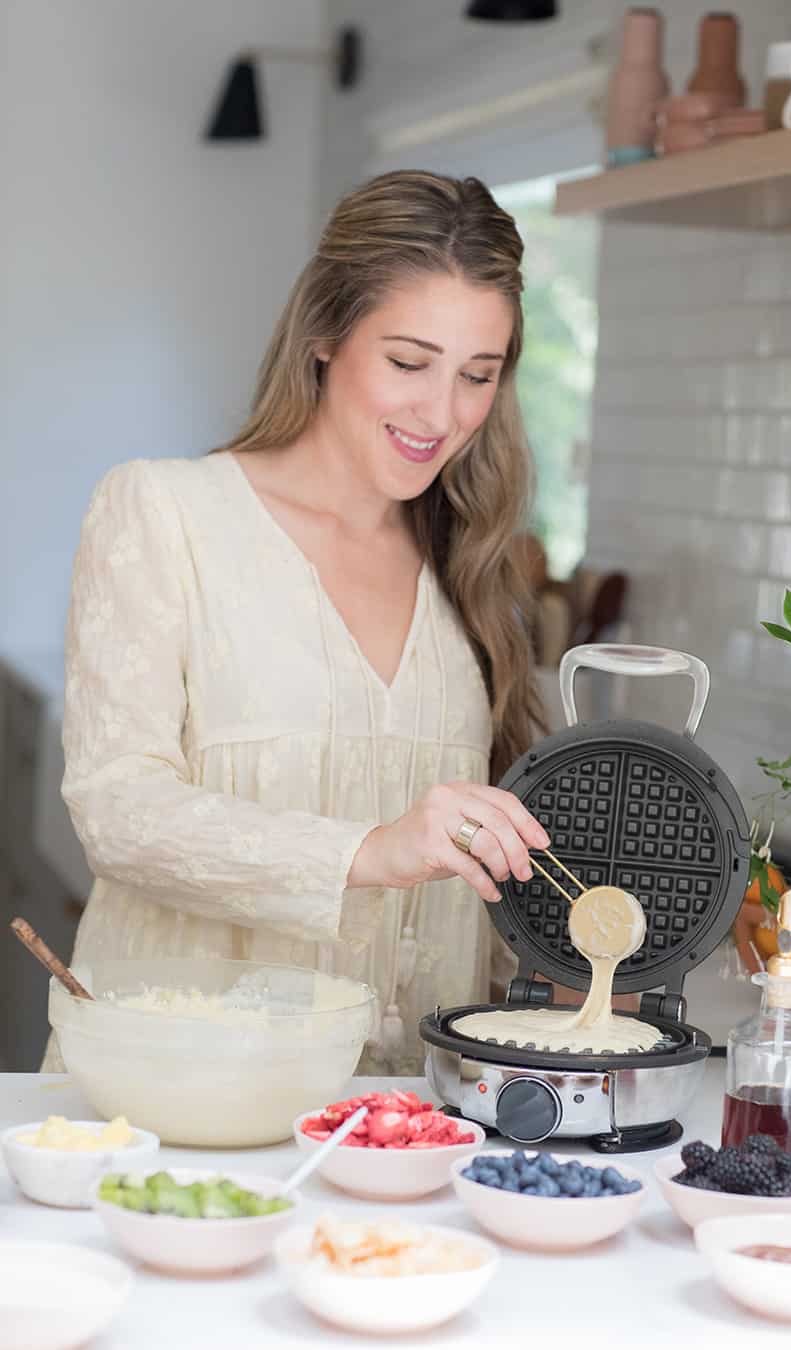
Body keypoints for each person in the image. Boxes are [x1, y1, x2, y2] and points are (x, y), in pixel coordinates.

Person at [43, 169, 548, 1075]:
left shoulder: (468, 557)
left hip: (410, 1126)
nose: (443, 414)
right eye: (407, 362)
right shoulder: (164, 511)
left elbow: (480, 871)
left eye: (478, 375)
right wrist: (371, 849)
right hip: (183, 1095)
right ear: (324, 334)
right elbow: (116, 807)